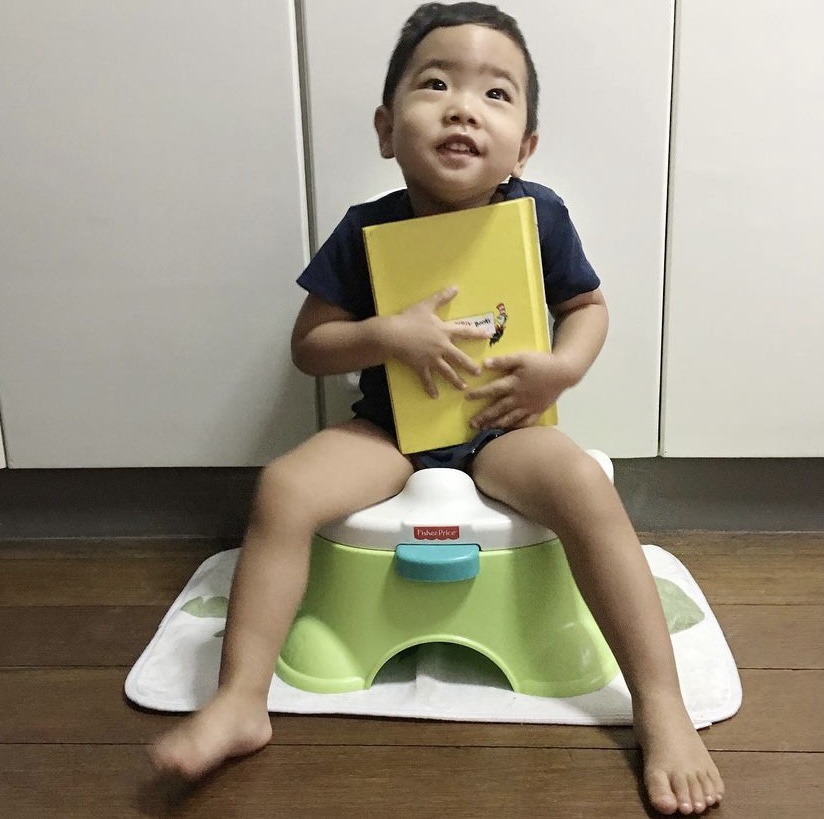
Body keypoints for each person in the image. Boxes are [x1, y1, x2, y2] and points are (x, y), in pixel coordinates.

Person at [151, 3, 724, 814]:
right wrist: (386, 334)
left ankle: (660, 702)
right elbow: (311, 345)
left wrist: (557, 371)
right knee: (283, 487)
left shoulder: (540, 215)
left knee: (588, 491)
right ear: (387, 129)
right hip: (391, 428)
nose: (463, 105)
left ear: (524, 145)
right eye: (436, 83)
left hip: (503, 425)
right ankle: (242, 696)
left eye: (497, 94)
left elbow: (589, 305)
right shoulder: (365, 230)